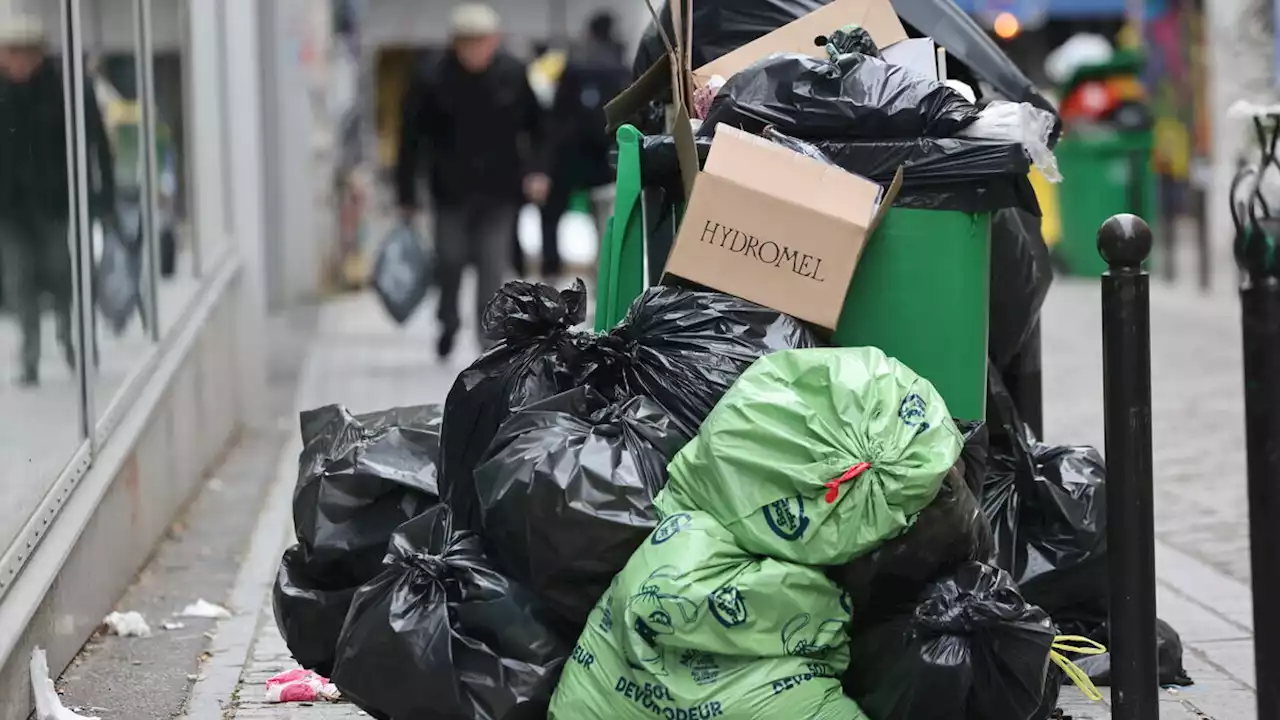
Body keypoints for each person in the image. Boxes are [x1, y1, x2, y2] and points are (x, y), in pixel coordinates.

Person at [396, 3, 547, 359]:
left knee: (491, 265)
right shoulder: (432, 77)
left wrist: (538, 170)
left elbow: (538, 126)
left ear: (495, 41)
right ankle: (447, 320)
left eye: (484, 41)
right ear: (456, 44)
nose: (477, 50)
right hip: (450, 188)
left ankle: (487, 341)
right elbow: (410, 139)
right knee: (449, 259)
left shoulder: (512, 72)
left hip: (500, 188)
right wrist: (406, 193)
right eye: (469, 43)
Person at [0, 14, 115, 387]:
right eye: (8, 53)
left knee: (61, 275)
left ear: (38, 54)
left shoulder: (68, 89)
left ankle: (71, 343)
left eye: (22, 53)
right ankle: (29, 358)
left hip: (55, 203)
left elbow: (98, 145)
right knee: (18, 281)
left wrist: (104, 198)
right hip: (10, 208)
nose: (15, 62)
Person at [543, 11, 630, 279]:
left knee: (552, 212)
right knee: (605, 217)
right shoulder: (620, 64)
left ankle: (551, 267)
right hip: (604, 152)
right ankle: (604, 270)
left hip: (568, 152)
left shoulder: (575, 62)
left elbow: (557, 111)